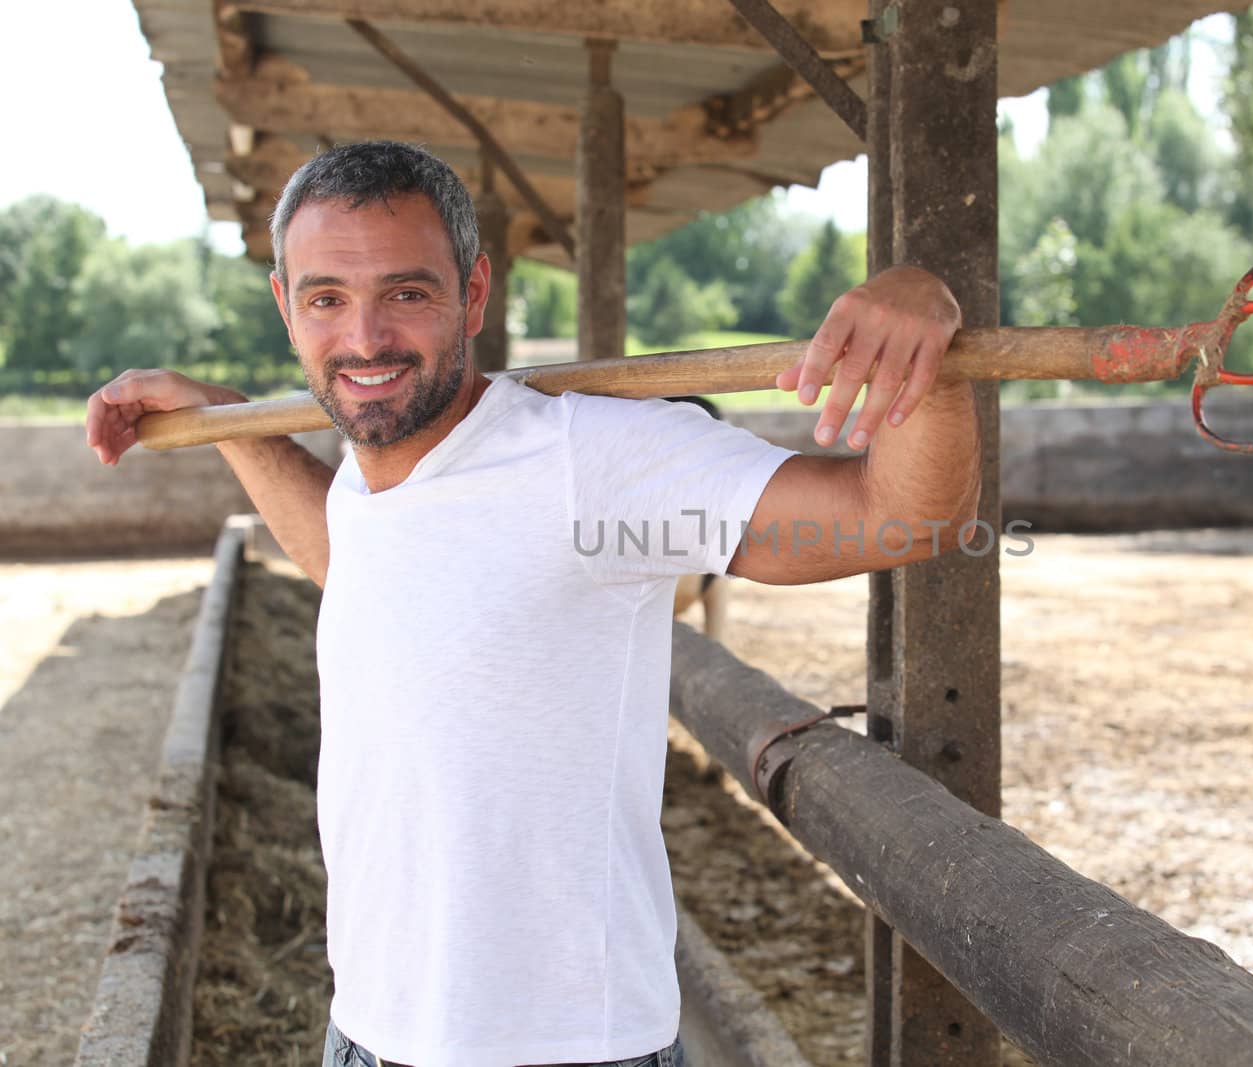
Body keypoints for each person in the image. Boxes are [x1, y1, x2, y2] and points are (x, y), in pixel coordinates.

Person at [85, 141, 979, 1067]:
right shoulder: (367, 473)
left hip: (561, 1048)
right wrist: (226, 416)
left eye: (407, 292)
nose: (364, 338)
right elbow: (361, 561)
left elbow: (899, 518)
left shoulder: (591, 461)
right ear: (285, 305)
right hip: (364, 1032)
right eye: (326, 299)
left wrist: (927, 324)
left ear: (473, 294)